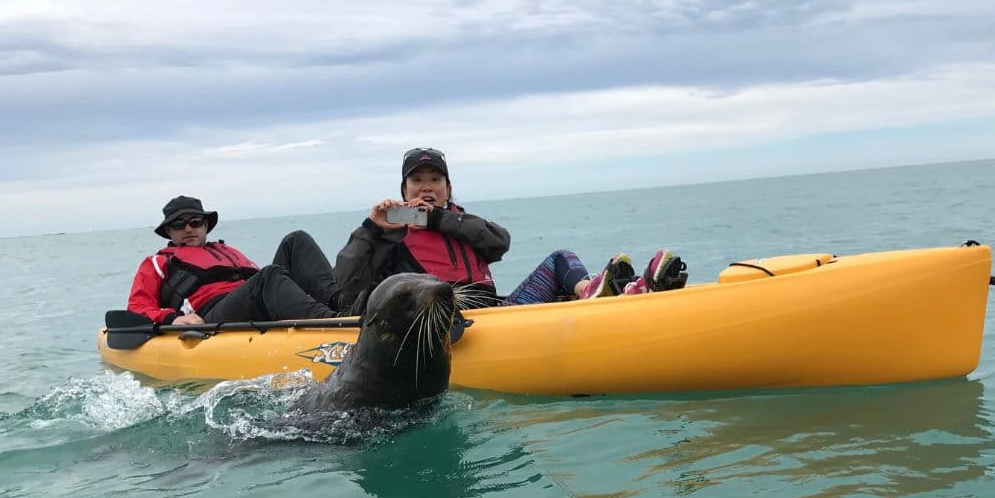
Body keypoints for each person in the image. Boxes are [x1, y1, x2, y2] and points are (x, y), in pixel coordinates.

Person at [334, 147, 687, 309]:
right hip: (450, 321)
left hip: (497, 314)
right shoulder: (391, 234)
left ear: (448, 187)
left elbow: (499, 242)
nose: (427, 186)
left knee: (560, 258)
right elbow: (347, 279)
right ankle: (608, 293)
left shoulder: (460, 223)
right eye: (417, 180)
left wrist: (437, 218)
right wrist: (371, 227)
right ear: (404, 191)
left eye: (436, 179)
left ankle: (602, 291)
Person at [127, 195, 350, 325]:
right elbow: (137, 307)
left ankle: (345, 306)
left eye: (195, 222)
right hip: (213, 316)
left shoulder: (226, 250)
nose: (188, 229)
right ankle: (334, 322)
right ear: (168, 231)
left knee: (296, 240)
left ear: (205, 225)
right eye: (178, 225)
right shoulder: (156, 263)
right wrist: (172, 318)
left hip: (251, 302)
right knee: (268, 276)